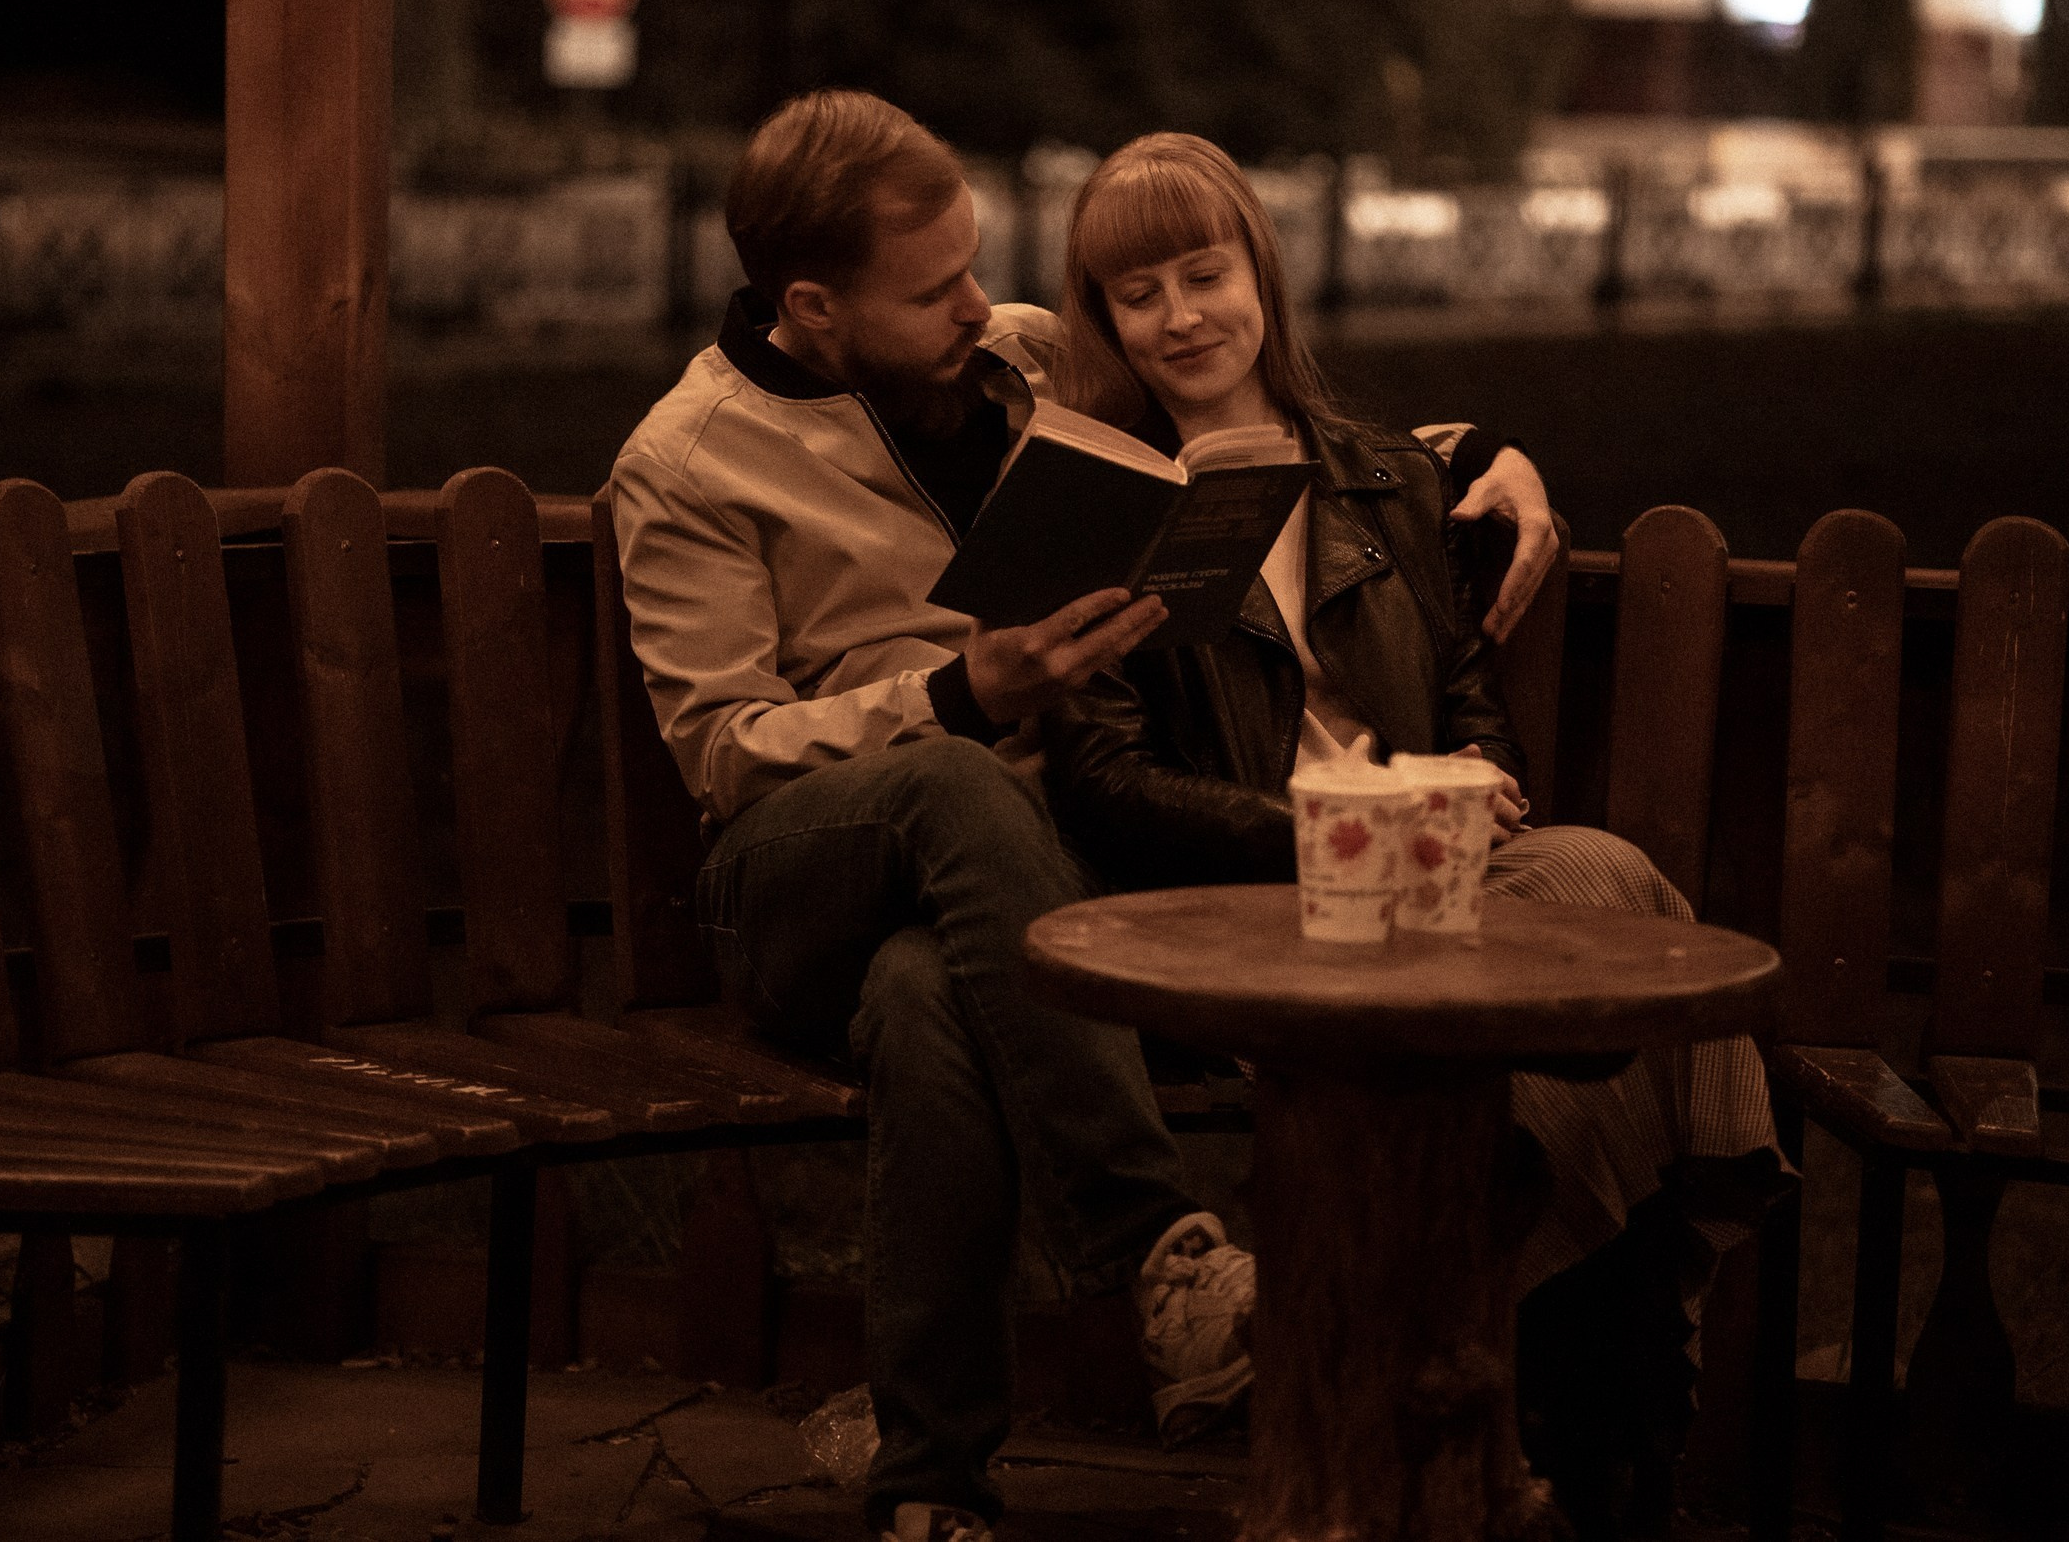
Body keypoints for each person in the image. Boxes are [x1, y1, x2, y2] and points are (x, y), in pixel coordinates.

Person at [609, 93, 1560, 1542]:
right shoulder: (689, 462)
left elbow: (1259, 410)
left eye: (975, 266)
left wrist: (1495, 447)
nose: (978, 306)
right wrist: (959, 692)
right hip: (798, 872)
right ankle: (1160, 1248)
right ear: (811, 308)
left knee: (927, 994)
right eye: (933, 290)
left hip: (998, 897)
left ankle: (928, 1488)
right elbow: (725, 753)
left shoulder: (1020, 364)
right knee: (953, 778)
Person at [1039, 132, 1788, 1540]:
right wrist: (1337, 822)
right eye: (1139, 294)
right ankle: (1594, 1421)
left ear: (1262, 274)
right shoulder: (1104, 509)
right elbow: (1104, 783)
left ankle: (1498, 1397)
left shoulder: (1387, 480)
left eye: (1205, 273)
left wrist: (1471, 781)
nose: (1182, 316)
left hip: (1439, 871)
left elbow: (1471, 709)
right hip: (1260, 899)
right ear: (1103, 318)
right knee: (1598, 913)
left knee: (1598, 891)